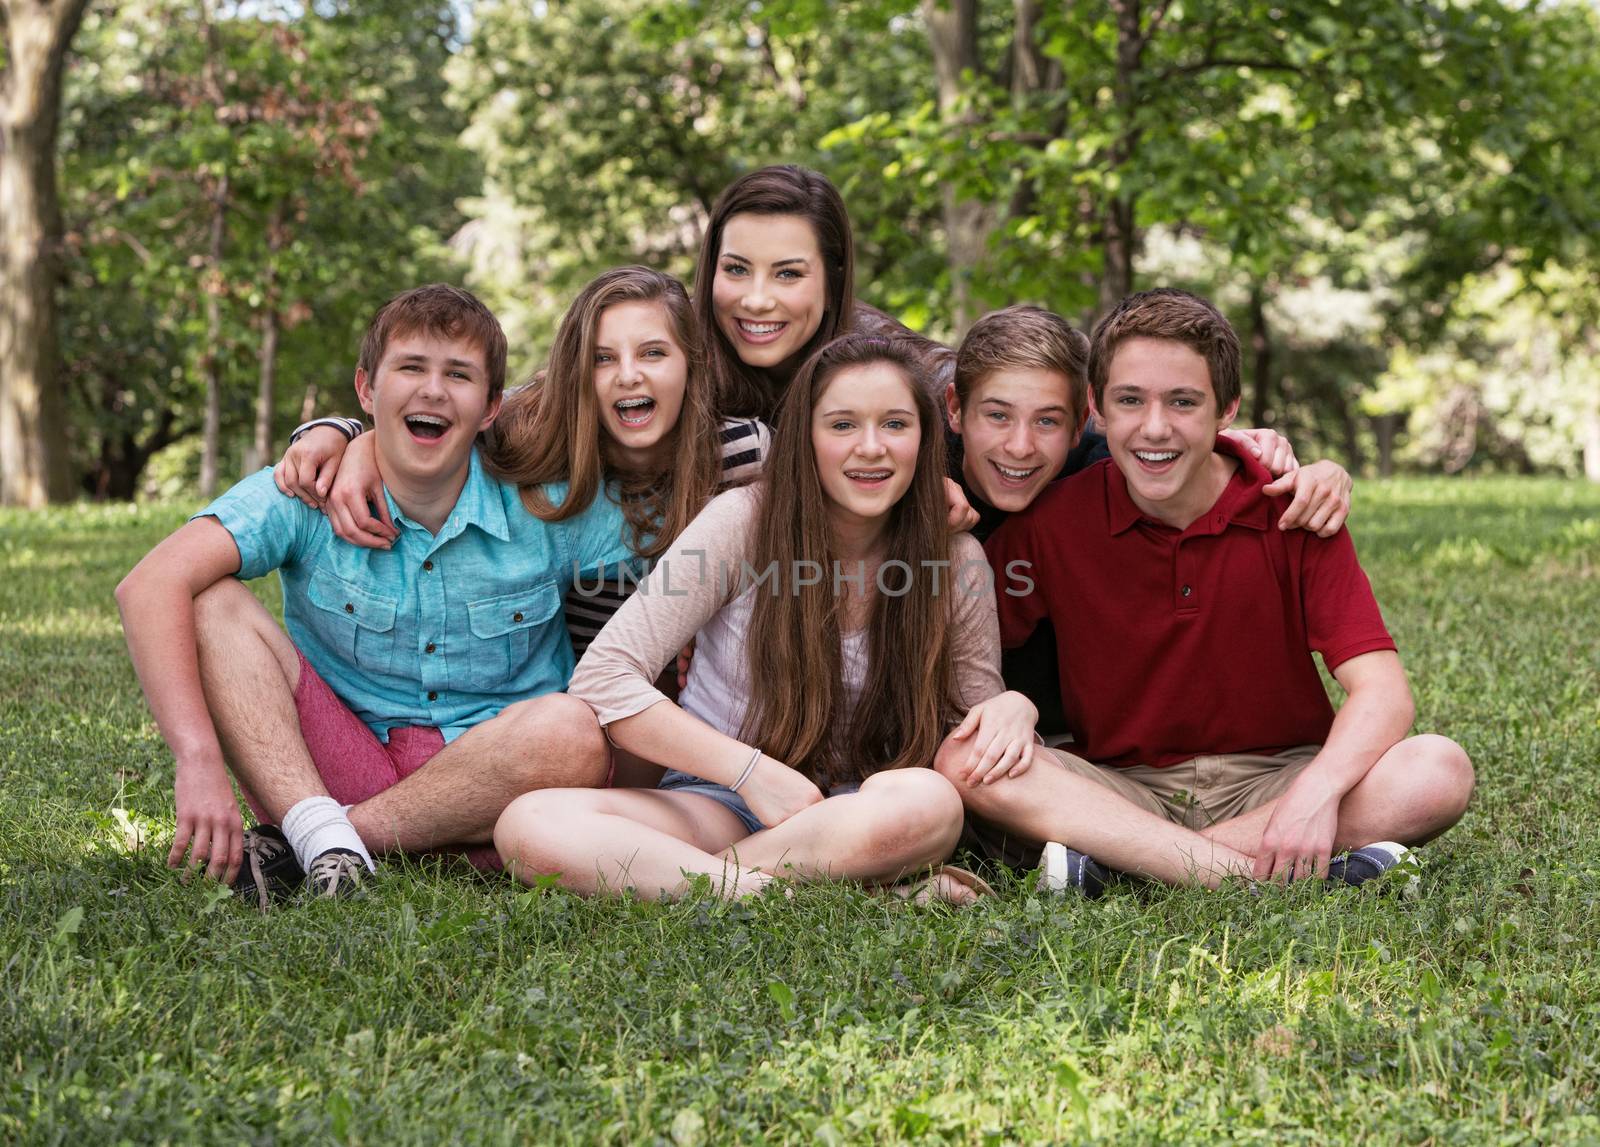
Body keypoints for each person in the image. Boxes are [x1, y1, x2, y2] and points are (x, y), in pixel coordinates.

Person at [115, 285, 633, 906]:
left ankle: (324, 843)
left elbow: (669, 583)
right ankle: (330, 831)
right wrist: (195, 758)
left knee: (573, 729)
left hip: (501, 784)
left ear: (492, 406)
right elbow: (148, 585)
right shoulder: (305, 489)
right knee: (211, 603)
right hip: (336, 764)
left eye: (459, 375)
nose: (433, 391)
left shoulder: (553, 501)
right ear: (366, 389)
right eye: (411, 367)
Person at [945, 288, 1474, 894]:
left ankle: (1129, 871)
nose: (1154, 428)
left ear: (1228, 410)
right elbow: (960, 647)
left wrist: (1315, 794)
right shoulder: (1051, 521)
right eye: (1130, 400)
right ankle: (1264, 876)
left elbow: (1383, 694)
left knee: (1437, 769)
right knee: (964, 762)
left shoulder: (1293, 508)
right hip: (1121, 785)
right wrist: (1015, 706)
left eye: (1183, 402)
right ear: (1097, 408)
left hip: (1277, 779)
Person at [495, 334, 1037, 900]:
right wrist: (753, 774)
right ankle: (833, 897)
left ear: (924, 441)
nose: (871, 448)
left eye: (895, 425)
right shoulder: (741, 523)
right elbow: (604, 677)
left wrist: (1013, 708)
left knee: (931, 803)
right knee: (530, 824)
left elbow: (973, 731)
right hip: (719, 801)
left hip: (859, 815)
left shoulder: (953, 559)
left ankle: (693, 881)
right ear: (806, 438)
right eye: (843, 425)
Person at [943, 304, 1355, 752]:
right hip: (980, 721)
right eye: (998, 416)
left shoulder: (1107, 472)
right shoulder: (917, 475)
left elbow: (1179, 453)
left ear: (1082, 422)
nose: (1020, 447)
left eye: (1048, 420)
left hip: (1080, 735)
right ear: (955, 412)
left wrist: (1316, 471)